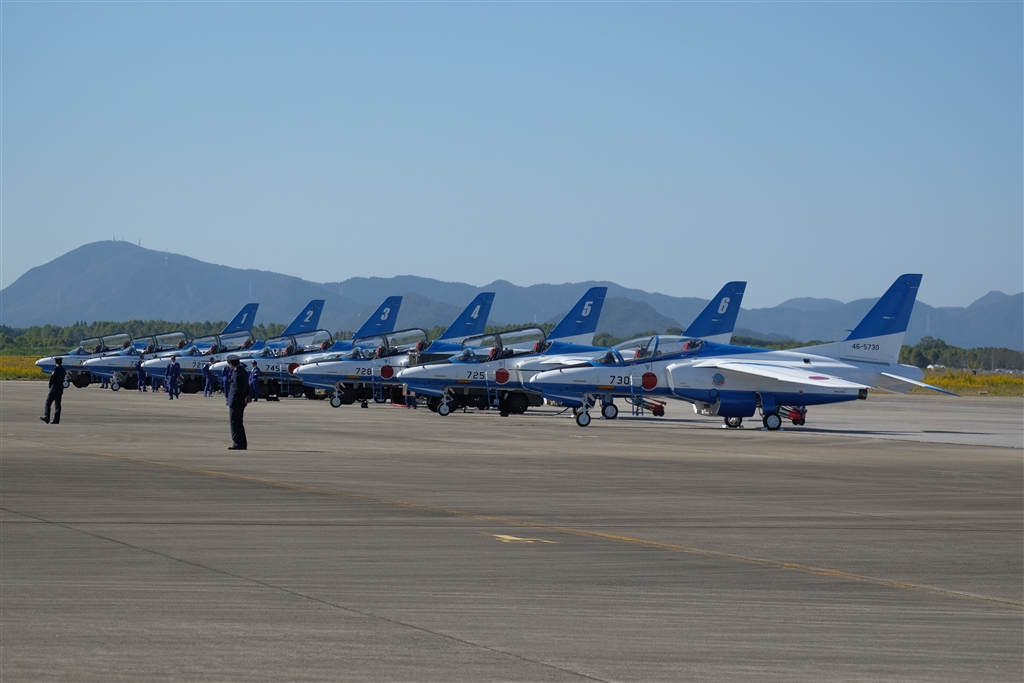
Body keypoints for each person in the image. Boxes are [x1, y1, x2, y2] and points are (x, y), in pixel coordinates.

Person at [225, 355, 251, 450]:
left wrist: (244, 396)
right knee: (239, 422)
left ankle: (237, 443)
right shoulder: (243, 370)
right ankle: (242, 443)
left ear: (231, 364)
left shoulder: (236, 372)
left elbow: (238, 387)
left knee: (234, 422)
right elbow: (247, 385)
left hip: (236, 400)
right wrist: (248, 395)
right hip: (240, 400)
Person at [41, 357, 67, 425]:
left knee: (48, 402)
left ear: (55, 362)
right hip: (60, 388)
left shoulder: (56, 369)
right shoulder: (63, 370)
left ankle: (47, 417)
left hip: (54, 388)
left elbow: (52, 378)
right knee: (57, 404)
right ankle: (56, 420)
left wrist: (50, 386)